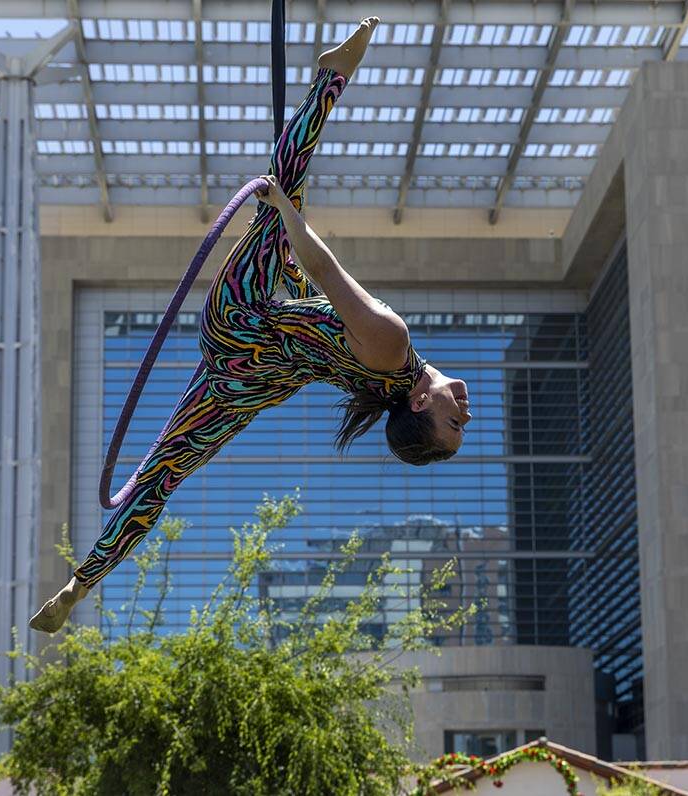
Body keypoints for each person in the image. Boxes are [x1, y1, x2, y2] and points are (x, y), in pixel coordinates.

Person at [30, 18, 471, 634]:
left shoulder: (392, 345)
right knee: (165, 473)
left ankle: (332, 77)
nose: (467, 410)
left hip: (246, 320)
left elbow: (324, 264)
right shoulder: (382, 378)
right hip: (253, 380)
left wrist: (284, 212)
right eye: (464, 423)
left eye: (454, 421)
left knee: (286, 182)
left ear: (421, 400)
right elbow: (312, 303)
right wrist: (289, 252)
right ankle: (83, 582)